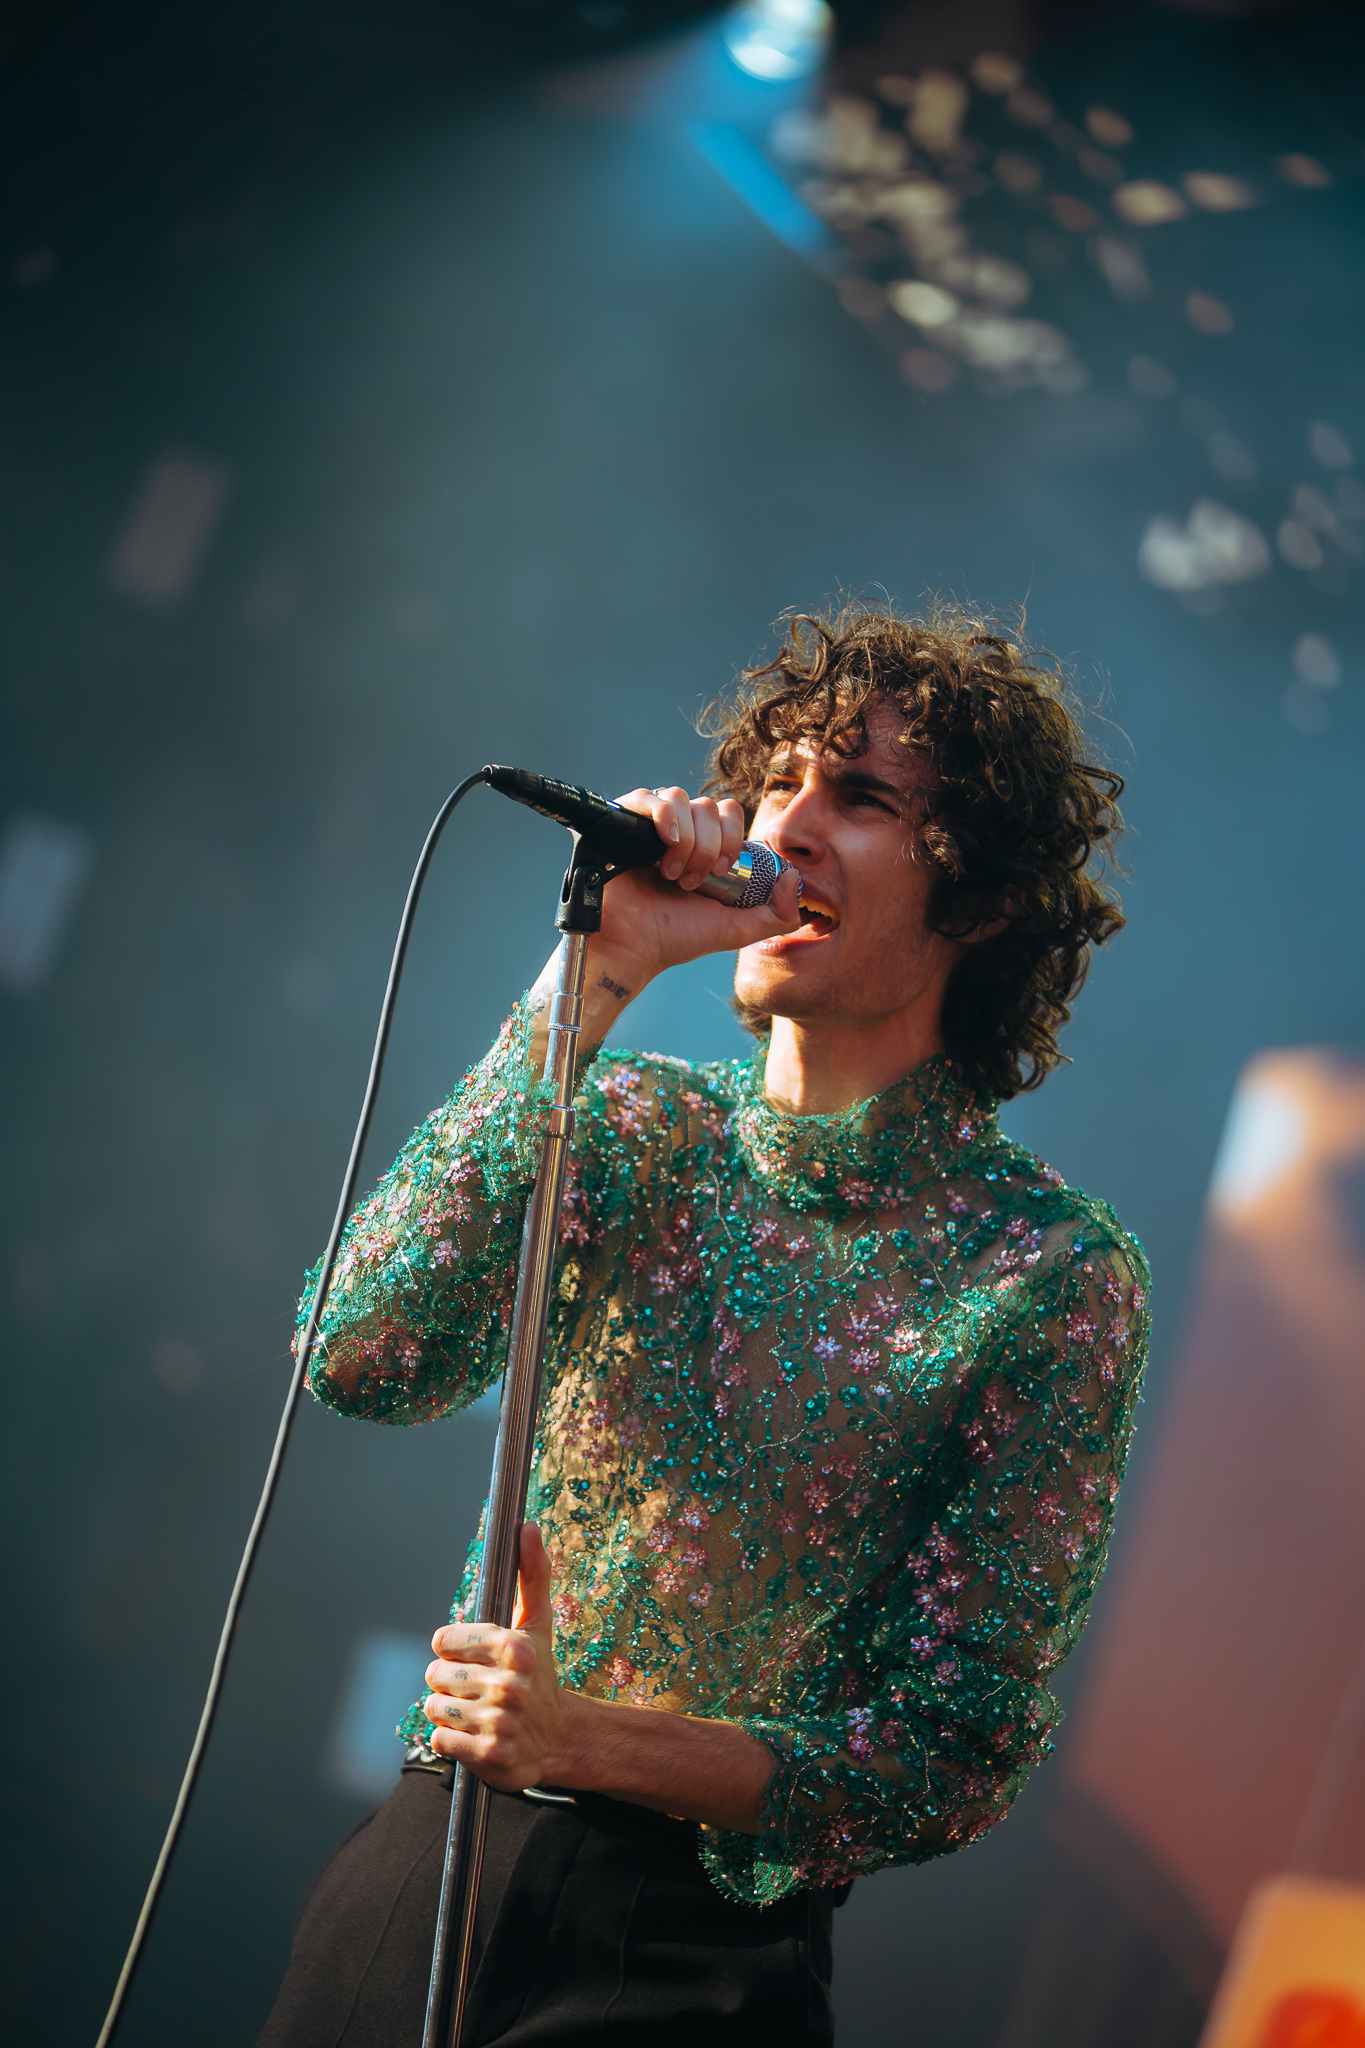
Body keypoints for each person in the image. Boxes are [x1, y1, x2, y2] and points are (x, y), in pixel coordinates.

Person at [258, 607, 1150, 2048]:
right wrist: (594, 974)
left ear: (982, 898)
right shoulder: (635, 1127)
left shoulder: (1042, 1270)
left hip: (690, 1958)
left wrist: (590, 1739)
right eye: (777, 782)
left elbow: (952, 1756)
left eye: (859, 798)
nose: (784, 828)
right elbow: (362, 1353)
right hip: (432, 1864)